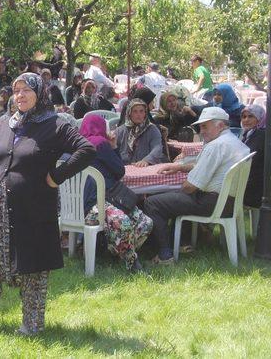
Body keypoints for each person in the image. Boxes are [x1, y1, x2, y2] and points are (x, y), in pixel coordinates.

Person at [0, 72, 95, 335]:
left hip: (32, 210)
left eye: (26, 90)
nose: (20, 95)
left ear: (39, 93)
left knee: (32, 266)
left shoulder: (55, 124)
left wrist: (57, 176)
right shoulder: (5, 123)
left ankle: (31, 324)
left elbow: (86, 149)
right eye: (16, 90)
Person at [144, 107, 250, 264]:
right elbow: (202, 166)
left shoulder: (216, 146)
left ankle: (165, 255)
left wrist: (180, 188)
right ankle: (179, 242)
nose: (201, 131)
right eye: (200, 127)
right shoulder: (236, 142)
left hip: (212, 203)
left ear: (220, 126)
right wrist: (180, 167)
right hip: (230, 202)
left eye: (205, 126)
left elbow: (190, 187)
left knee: (152, 202)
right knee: (172, 199)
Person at [79, 114, 153, 272]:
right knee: (142, 223)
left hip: (81, 206)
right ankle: (131, 262)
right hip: (98, 203)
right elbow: (119, 170)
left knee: (129, 222)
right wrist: (113, 146)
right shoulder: (99, 143)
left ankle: (115, 251)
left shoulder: (76, 144)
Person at [115, 99, 164, 167]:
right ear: (129, 113)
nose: (139, 114)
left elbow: (157, 148)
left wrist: (146, 160)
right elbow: (114, 150)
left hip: (146, 166)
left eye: (141, 111)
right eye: (135, 111)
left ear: (145, 113)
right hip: (124, 166)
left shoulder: (152, 129)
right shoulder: (120, 131)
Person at [240, 104, 266, 208]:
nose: (246, 120)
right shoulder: (248, 134)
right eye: (244, 117)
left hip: (254, 189)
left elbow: (252, 162)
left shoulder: (262, 136)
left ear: (260, 118)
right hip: (246, 181)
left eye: (251, 116)